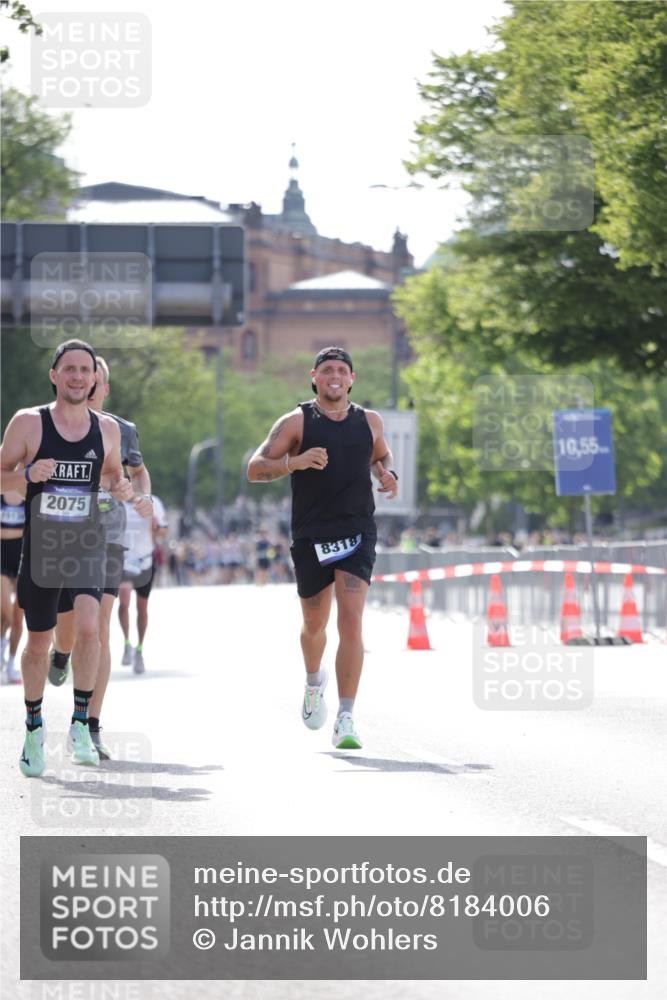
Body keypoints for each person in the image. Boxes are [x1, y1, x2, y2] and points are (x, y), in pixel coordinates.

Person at [247, 346, 398, 749]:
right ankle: (314, 682)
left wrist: (388, 475)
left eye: (342, 370)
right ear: (314, 377)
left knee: (351, 620)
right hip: (312, 535)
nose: (335, 376)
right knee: (315, 625)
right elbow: (254, 469)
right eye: (327, 369)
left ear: (352, 379)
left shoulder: (370, 421)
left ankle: (346, 717)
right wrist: (292, 464)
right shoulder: (296, 421)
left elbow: (381, 457)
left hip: (357, 532)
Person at [0, 339, 134, 777]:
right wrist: (25, 474)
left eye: (85, 370)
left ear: (95, 379)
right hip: (42, 548)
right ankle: (33, 728)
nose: (78, 376)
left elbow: (112, 474)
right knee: (38, 643)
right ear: (55, 376)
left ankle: (80, 723)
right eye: (70, 369)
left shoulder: (107, 430)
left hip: (87, 544)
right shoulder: (28, 423)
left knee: (91, 626)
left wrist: (120, 487)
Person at [48, 356, 153, 759]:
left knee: (100, 629)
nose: (88, 388)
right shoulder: (50, 424)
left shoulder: (121, 429)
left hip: (107, 535)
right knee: (68, 631)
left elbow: (138, 472)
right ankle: (61, 653)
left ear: (103, 387)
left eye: (96, 382)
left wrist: (141, 496)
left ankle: (89, 724)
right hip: (59, 536)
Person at [118, 493, 168, 673]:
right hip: (123, 560)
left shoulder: (153, 502)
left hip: (145, 561)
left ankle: (139, 649)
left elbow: (163, 532)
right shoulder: (117, 500)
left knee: (142, 608)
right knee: (124, 602)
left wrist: (156, 527)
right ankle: (126, 643)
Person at [1, 487, 26, 684]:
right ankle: (1, 646)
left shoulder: (28, 490)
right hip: (1, 555)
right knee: (5, 613)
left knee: (18, 619)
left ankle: (11, 663)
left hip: (22, 556)